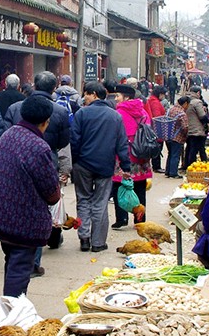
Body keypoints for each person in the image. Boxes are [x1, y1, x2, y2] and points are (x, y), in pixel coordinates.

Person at [0, 94, 61, 295]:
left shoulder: (8, 134)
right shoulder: (38, 146)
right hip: (23, 221)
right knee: (20, 268)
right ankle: (13, 312)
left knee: (12, 261)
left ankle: (10, 305)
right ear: (46, 122)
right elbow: (51, 192)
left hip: (1, 214)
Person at [70, 82, 129, 252]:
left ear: (94, 94)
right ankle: (98, 242)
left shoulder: (82, 114)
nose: (84, 98)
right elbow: (122, 144)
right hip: (105, 165)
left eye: (86, 94)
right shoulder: (115, 116)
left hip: (83, 164)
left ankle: (84, 238)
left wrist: (75, 161)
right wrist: (125, 165)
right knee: (100, 202)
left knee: (83, 199)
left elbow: (74, 140)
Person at [110, 84, 152, 229]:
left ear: (126, 97)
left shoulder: (118, 113)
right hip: (141, 154)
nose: (115, 99)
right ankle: (140, 218)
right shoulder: (143, 112)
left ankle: (121, 218)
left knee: (119, 187)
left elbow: (115, 136)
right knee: (140, 186)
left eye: (117, 96)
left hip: (124, 155)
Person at [184, 87, 209, 170]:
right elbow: (202, 116)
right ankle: (196, 167)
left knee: (189, 148)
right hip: (197, 129)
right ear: (198, 93)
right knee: (197, 149)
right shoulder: (197, 102)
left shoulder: (186, 100)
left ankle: (187, 166)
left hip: (189, 128)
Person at [164, 96, 190, 178]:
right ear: (185, 103)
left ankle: (167, 171)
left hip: (168, 136)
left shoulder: (170, 110)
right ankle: (173, 173)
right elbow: (185, 127)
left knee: (170, 153)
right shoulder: (182, 113)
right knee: (175, 155)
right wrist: (186, 135)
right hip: (177, 137)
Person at [144, 85, 167, 172]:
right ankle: (156, 166)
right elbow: (157, 117)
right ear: (160, 94)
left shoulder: (151, 100)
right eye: (163, 94)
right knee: (157, 148)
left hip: (153, 129)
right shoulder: (155, 102)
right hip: (157, 129)